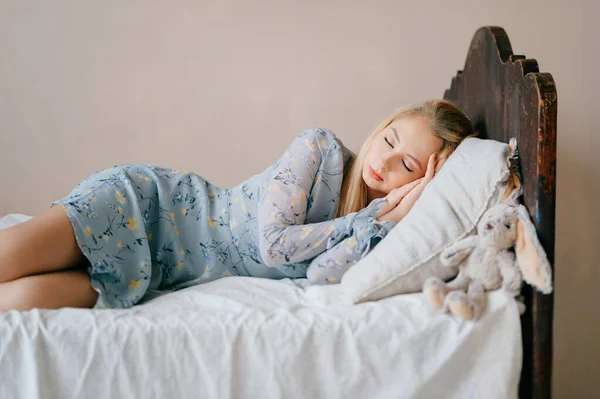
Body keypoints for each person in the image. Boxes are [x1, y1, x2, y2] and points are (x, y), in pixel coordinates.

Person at [0, 99, 474, 311]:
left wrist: (386, 221)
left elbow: (320, 275)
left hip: (156, 273)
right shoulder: (320, 148)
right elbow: (273, 247)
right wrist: (371, 214)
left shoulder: (370, 230)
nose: (384, 161)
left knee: (18, 302)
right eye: (388, 140)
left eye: (407, 165)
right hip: (145, 204)